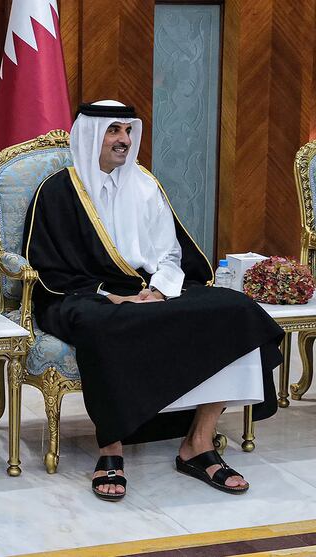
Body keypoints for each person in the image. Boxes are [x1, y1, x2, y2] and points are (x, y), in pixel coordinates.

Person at [22, 100, 283, 501]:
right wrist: (113, 297)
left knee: (236, 311)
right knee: (103, 326)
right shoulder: (57, 191)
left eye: (128, 131)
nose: (124, 140)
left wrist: (158, 291)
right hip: (84, 296)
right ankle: (110, 447)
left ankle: (198, 441)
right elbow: (49, 269)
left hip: (151, 289)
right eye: (113, 131)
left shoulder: (145, 185)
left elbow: (171, 254)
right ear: (91, 135)